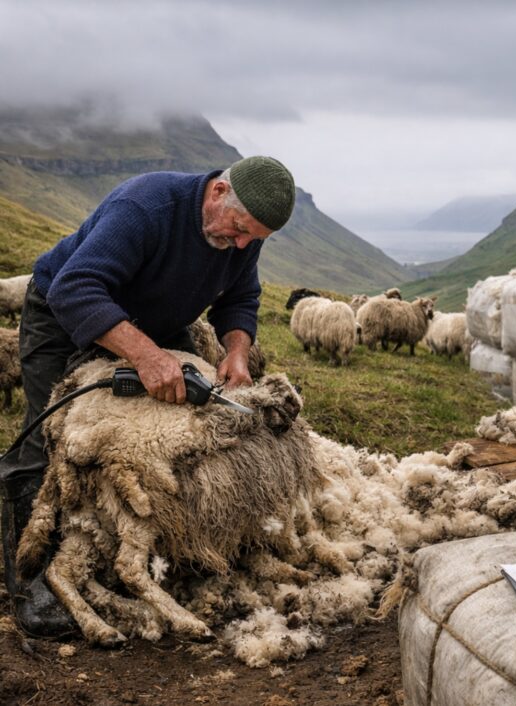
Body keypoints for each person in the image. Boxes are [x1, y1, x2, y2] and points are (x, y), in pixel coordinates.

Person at [1, 155, 296, 637]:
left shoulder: (239, 235)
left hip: (156, 324)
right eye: (239, 229)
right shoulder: (145, 207)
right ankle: (34, 581)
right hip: (63, 319)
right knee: (53, 442)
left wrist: (237, 351)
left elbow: (240, 298)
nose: (241, 244)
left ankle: (154, 547)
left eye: (253, 239)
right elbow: (76, 287)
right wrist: (145, 356)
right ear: (218, 193)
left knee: (181, 433)